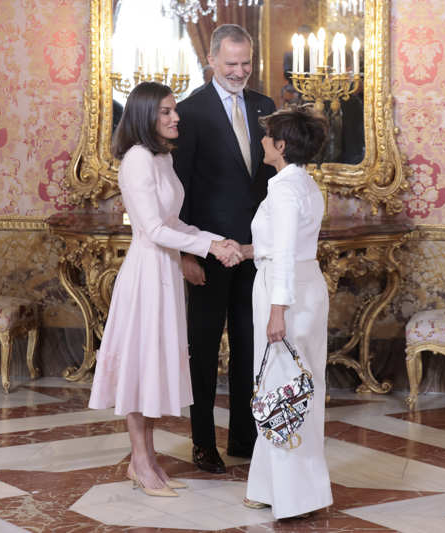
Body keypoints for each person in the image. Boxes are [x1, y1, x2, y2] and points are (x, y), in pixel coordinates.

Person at [88, 82, 243, 498]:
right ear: (144, 116)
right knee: (141, 368)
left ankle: (148, 460)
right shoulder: (137, 160)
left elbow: (173, 224)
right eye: (166, 112)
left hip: (166, 274)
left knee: (154, 368)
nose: (176, 118)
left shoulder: (161, 158)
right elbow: (153, 230)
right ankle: (140, 462)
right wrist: (209, 246)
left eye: (174, 110)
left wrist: (216, 240)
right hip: (145, 275)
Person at [173, 24, 277, 474]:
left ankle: (243, 437)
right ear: (212, 61)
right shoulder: (188, 112)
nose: (240, 72)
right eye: (231, 64)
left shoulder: (264, 106)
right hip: (209, 250)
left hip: (254, 250)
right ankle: (201, 442)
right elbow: (180, 189)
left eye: (246, 63)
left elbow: (268, 183)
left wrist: (265, 244)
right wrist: (188, 253)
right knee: (202, 346)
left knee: (250, 346)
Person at [240, 107, 333, 519]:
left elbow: (284, 255)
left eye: (267, 137)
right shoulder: (306, 184)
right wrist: (248, 250)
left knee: (281, 391)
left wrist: (277, 311)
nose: (262, 142)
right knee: (299, 387)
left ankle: (295, 497)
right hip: (307, 287)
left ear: (280, 146)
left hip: (285, 294)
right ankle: (267, 485)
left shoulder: (282, 188)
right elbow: (285, 244)